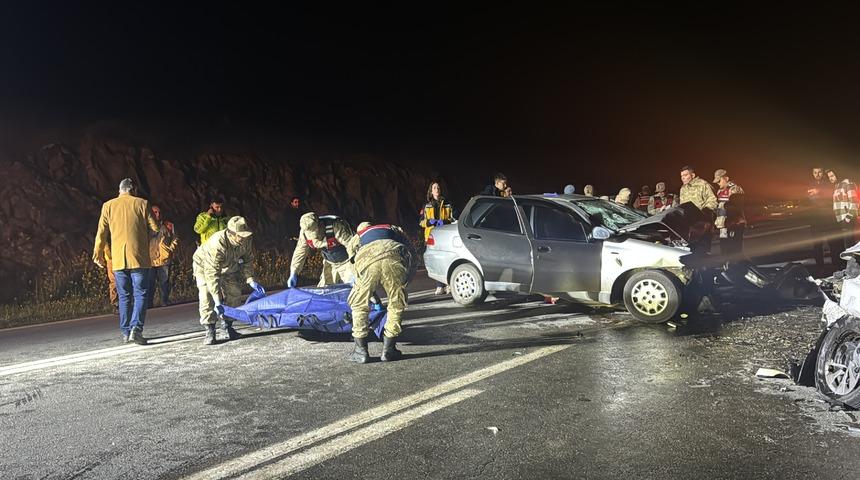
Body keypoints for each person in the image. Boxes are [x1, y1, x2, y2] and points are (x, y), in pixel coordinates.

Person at [92, 178, 159, 345]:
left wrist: (97, 254)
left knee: (124, 296)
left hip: (118, 259)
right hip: (139, 257)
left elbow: (101, 232)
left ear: (120, 190)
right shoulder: (142, 203)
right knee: (141, 293)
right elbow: (156, 228)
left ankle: (125, 332)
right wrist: (145, 237)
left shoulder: (108, 206)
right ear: (133, 189)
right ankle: (136, 329)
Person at [346, 222, 417, 363]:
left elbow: (351, 261)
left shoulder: (358, 236)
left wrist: (360, 284)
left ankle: (361, 352)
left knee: (359, 305)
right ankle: (389, 350)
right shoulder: (393, 228)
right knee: (396, 304)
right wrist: (407, 278)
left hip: (367, 261)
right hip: (394, 257)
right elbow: (412, 251)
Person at [193, 216, 265, 345]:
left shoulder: (246, 239)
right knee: (206, 295)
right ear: (231, 234)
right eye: (240, 236)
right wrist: (217, 299)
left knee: (235, 292)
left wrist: (250, 279)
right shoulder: (217, 243)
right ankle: (210, 329)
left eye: (245, 235)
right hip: (204, 266)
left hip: (229, 265)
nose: (244, 239)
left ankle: (227, 326)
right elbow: (212, 273)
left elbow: (248, 259)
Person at [289, 212, 356, 288]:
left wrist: (355, 270)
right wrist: (293, 272)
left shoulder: (335, 226)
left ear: (319, 224)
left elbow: (353, 247)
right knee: (324, 290)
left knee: (352, 290)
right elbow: (300, 252)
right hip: (330, 263)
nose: (314, 237)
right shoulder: (304, 232)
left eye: (315, 234)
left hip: (347, 263)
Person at [419, 181, 455, 295]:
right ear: (431, 190)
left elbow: (453, 218)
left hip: (445, 234)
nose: (437, 189)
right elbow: (420, 222)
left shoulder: (447, 203)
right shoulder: (426, 205)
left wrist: (444, 221)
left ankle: (449, 284)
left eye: (438, 187)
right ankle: (439, 285)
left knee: (448, 259)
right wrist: (429, 222)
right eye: (434, 188)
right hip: (432, 236)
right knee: (436, 260)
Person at [679, 165, 718, 253]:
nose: (683, 178)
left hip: (702, 224)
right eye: (681, 176)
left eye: (685, 175)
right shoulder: (683, 189)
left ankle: (705, 266)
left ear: (692, 175)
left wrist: (705, 211)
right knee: (691, 251)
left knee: (703, 251)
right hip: (689, 226)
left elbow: (713, 200)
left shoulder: (703, 184)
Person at [147, 204, 179, 307]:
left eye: (159, 212)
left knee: (164, 282)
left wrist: (170, 250)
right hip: (150, 259)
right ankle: (149, 303)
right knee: (150, 283)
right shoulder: (145, 226)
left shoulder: (168, 225)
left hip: (164, 258)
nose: (158, 214)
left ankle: (164, 301)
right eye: (155, 212)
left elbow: (175, 238)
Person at [828, 169, 858, 268]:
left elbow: (854, 202)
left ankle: (853, 269)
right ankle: (850, 268)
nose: (830, 178)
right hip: (841, 219)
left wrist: (848, 218)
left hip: (847, 219)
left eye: (832, 176)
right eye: (829, 177)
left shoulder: (848, 183)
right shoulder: (837, 185)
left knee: (849, 245)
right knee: (846, 245)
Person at [713, 169, 746, 256]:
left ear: (726, 178)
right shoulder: (719, 191)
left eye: (719, 181)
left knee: (734, 248)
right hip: (723, 226)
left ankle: (736, 267)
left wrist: (732, 222)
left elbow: (736, 207)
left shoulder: (735, 189)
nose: (718, 183)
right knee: (724, 246)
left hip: (734, 224)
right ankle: (726, 264)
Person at [807, 167, 833, 269]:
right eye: (815, 172)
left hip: (828, 218)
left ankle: (835, 266)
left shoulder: (828, 183)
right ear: (812, 173)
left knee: (832, 243)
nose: (817, 174)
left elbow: (830, 196)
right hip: (815, 219)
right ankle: (820, 267)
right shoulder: (809, 184)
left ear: (823, 173)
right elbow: (808, 198)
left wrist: (819, 192)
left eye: (819, 172)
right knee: (817, 245)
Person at [104, 242, 118, 314]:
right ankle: (115, 303)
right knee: (114, 282)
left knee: (114, 282)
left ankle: (116, 303)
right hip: (113, 257)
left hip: (114, 256)